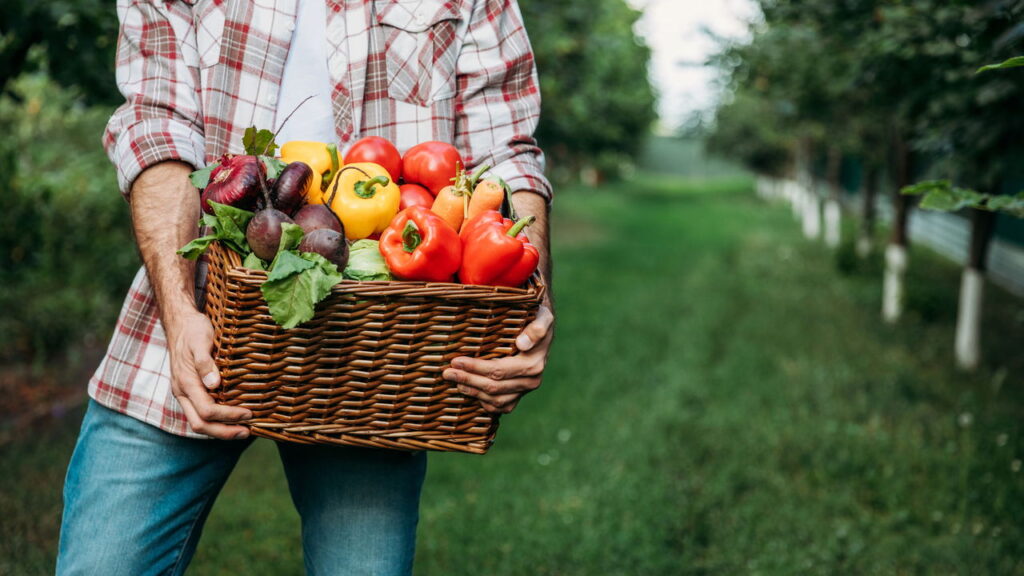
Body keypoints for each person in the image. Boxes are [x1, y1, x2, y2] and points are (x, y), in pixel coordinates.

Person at [56, 0, 554, 574]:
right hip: (193, 322)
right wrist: (177, 308)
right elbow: (156, 126)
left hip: (374, 357)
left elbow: (508, 157)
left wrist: (532, 304)